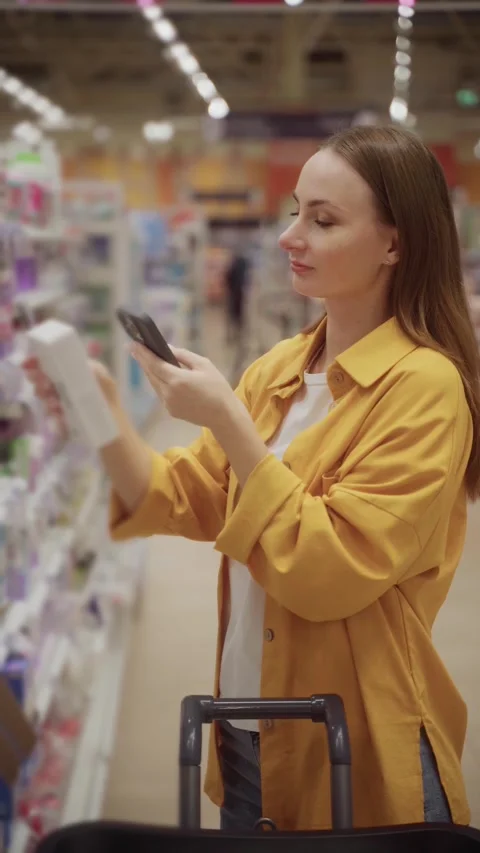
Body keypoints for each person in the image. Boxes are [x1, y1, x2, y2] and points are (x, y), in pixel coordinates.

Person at [25, 125, 479, 832]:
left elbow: (330, 568)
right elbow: (182, 493)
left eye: (323, 221)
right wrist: (98, 410)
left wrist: (229, 423)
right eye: (294, 210)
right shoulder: (282, 367)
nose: (289, 237)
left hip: (350, 738)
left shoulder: (424, 386)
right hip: (246, 729)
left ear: (395, 243)